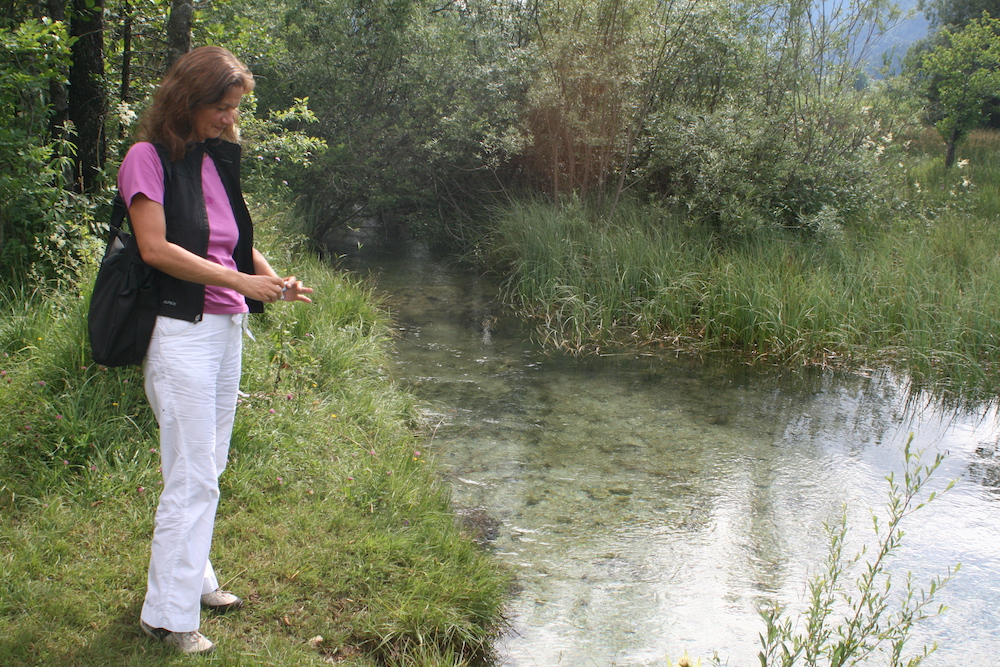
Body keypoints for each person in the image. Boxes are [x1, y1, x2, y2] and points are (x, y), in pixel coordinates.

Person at [118, 46, 312, 655]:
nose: (231, 119)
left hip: (225, 331)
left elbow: (231, 244)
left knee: (205, 466)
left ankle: (193, 577)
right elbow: (155, 249)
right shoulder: (146, 160)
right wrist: (241, 284)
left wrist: (273, 280)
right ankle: (166, 617)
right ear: (186, 100)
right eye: (222, 108)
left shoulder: (213, 161)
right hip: (180, 332)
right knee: (195, 474)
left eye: (234, 109)